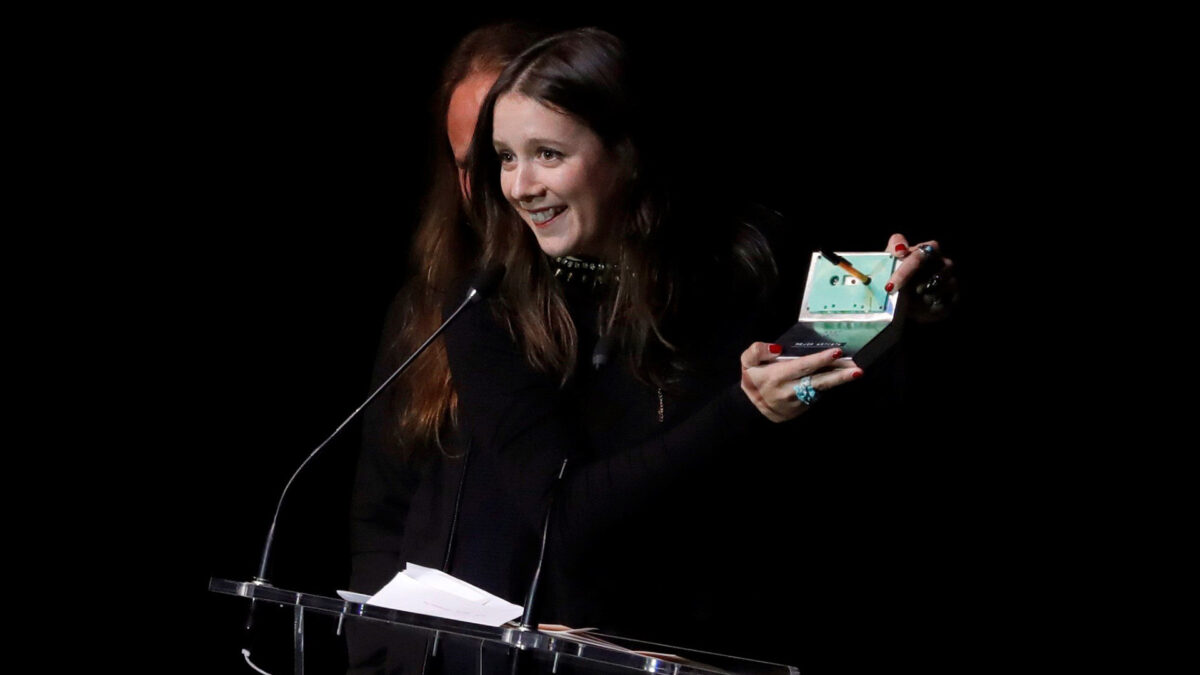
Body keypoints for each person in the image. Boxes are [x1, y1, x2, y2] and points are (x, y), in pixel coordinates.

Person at [442, 26, 956, 667]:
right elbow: (566, 521)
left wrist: (907, 313)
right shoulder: (488, 304)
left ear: (625, 153)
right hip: (598, 657)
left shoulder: (749, 257)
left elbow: (860, 441)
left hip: (759, 644)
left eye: (547, 154)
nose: (518, 186)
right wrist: (748, 411)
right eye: (505, 157)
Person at [346, 22, 544, 674]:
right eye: (469, 166)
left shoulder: (604, 312)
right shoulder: (431, 306)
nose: (495, 187)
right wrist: (379, 651)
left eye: (505, 157)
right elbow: (379, 515)